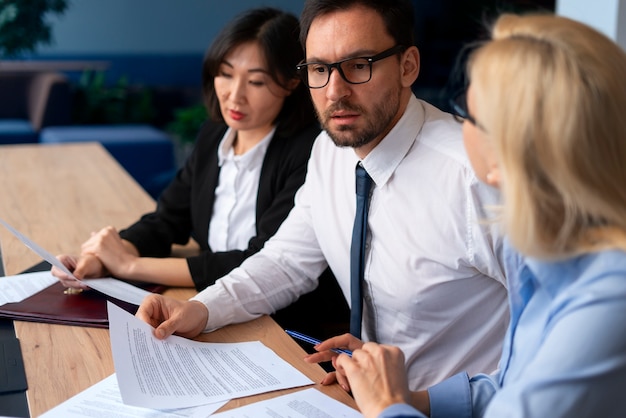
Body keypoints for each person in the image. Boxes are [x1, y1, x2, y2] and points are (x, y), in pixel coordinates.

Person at [136, 0, 509, 390]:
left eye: (358, 65)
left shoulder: (478, 175)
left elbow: (561, 345)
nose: (334, 91)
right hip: (361, 395)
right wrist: (201, 309)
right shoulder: (329, 152)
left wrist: (428, 402)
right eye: (319, 69)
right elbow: (286, 262)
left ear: (408, 66)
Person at [333, 13, 626, 417]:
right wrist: (412, 400)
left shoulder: (609, 299)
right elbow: (513, 388)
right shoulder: (552, 259)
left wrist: (386, 407)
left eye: (469, 115)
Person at [51, 7, 349, 337]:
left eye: (256, 81)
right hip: (215, 309)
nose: (234, 95)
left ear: (292, 83)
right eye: (225, 74)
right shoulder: (214, 134)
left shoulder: (311, 152)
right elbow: (167, 220)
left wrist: (130, 266)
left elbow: (260, 261)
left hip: (285, 326)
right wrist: (103, 261)